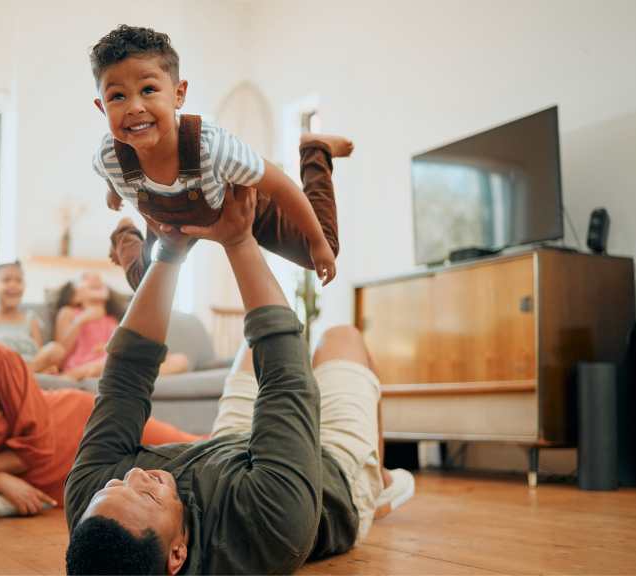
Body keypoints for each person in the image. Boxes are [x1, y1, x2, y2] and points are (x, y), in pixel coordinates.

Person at [63, 185, 414, 574]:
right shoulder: (270, 525)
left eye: (115, 485)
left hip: (227, 451)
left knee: (250, 348)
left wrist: (169, 252)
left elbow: (126, 376)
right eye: (148, 496)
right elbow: (287, 378)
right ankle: (374, 483)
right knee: (341, 338)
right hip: (333, 478)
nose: (132, 475)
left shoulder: (93, 511)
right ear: (177, 554)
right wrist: (238, 239)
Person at [0, 294, 202, 516]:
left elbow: (35, 445)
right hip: (53, 480)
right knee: (165, 481)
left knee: (191, 451)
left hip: (76, 424)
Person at [91, 24, 347, 291]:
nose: (134, 107)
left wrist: (318, 243)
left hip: (241, 204)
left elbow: (281, 186)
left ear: (178, 95)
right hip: (172, 222)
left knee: (321, 249)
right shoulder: (110, 156)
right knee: (143, 284)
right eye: (117, 96)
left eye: (148, 90)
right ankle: (124, 233)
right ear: (102, 107)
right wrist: (115, 192)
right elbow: (108, 173)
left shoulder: (212, 147)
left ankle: (315, 150)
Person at [47, 271, 188, 380]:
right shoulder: (69, 313)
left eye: (99, 279)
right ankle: (75, 375)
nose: (96, 278)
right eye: (85, 278)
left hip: (114, 362)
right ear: (74, 296)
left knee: (180, 360)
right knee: (110, 362)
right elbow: (61, 352)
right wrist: (82, 319)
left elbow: (124, 347)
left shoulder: (112, 320)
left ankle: (131, 375)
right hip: (84, 365)